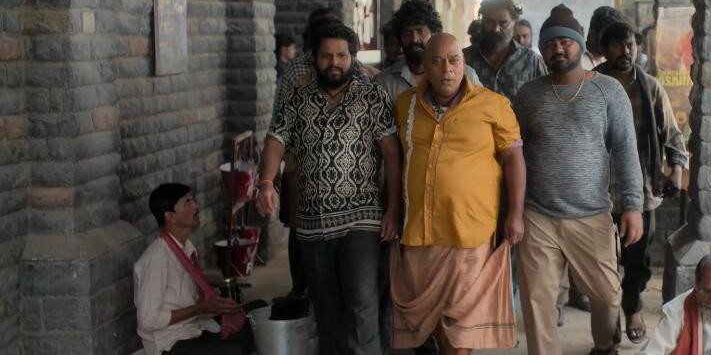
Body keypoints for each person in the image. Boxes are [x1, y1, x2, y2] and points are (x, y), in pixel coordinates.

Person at [257, 22, 402, 354]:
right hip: (312, 223)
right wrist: (266, 182)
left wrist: (393, 209)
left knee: (362, 304)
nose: (334, 62)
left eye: (341, 55)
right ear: (314, 58)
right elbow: (275, 140)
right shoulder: (297, 98)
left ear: (352, 58)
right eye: (326, 56)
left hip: (362, 219)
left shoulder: (371, 96)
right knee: (327, 309)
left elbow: (392, 154)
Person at [514, 4, 644, 355]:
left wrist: (633, 206)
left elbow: (626, 150)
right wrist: (511, 211)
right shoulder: (528, 95)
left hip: (592, 214)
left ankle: (604, 346)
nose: (557, 48)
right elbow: (513, 154)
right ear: (542, 49)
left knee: (608, 296)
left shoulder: (608, 91)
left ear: (580, 45)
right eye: (550, 43)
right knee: (538, 304)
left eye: (565, 42)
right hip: (538, 216)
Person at [389, 33, 526, 354]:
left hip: (470, 233)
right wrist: (392, 212)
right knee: (432, 325)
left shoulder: (493, 105)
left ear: (465, 64)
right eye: (437, 62)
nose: (446, 70)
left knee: (462, 329)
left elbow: (513, 158)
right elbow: (396, 160)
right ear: (424, 67)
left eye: (453, 61)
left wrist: (515, 213)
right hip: (420, 233)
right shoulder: (406, 105)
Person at [594, 22, 688, 344]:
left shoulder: (650, 88)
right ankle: (606, 328)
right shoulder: (591, 85)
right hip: (597, 192)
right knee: (600, 263)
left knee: (637, 261)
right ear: (605, 49)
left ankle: (632, 308)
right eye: (618, 45)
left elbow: (672, 135)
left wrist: (676, 171)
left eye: (631, 45)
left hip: (641, 192)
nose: (626, 51)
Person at [134, 183, 252, 355]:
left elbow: (189, 298)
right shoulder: (157, 258)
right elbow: (148, 320)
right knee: (235, 349)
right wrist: (201, 308)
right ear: (171, 216)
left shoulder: (187, 248)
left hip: (193, 329)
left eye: (193, 200)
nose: (196, 206)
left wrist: (215, 303)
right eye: (187, 202)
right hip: (169, 344)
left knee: (253, 315)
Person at [375, 0, 480, 103]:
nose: (414, 39)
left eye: (420, 31)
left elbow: (483, 109)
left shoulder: (466, 76)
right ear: (400, 37)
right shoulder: (385, 82)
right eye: (407, 33)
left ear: (434, 32)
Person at [464, 0, 547, 104]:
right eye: (490, 22)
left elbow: (545, 103)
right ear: (482, 21)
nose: (496, 29)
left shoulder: (532, 61)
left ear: (515, 23)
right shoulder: (464, 59)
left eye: (503, 23)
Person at [582, 6, 628, 70]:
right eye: (606, 36)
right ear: (593, 34)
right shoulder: (577, 61)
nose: (611, 43)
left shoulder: (614, 60)